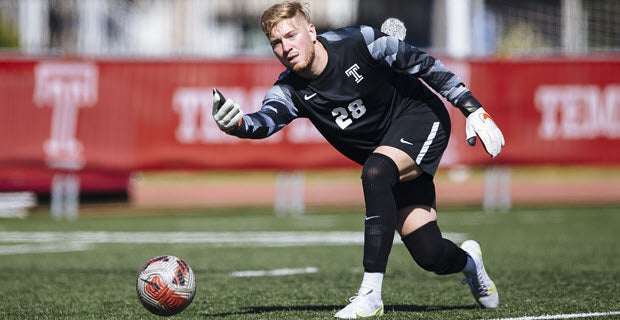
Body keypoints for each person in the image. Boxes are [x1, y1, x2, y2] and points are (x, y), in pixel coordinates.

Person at [212, 1, 504, 318]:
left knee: (375, 171)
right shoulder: (289, 90)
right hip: (389, 154)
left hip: (421, 119)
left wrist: (472, 108)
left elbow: (423, 63)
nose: (286, 47)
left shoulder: (360, 40)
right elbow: (264, 120)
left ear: (311, 31)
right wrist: (239, 126)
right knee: (430, 254)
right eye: (277, 43)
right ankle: (470, 262)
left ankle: (370, 295)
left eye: (291, 35)